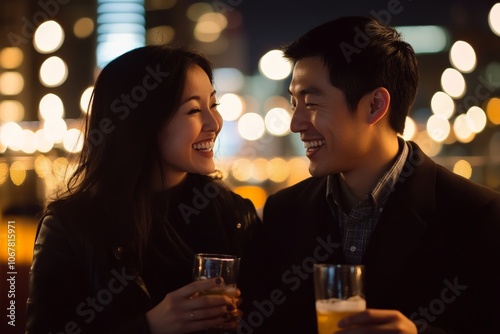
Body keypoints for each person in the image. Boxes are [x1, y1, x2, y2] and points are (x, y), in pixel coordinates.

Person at [240, 16, 500, 334]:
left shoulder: (478, 215)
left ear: (375, 105)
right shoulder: (283, 213)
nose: (295, 123)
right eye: (294, 103)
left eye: (311, 102)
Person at [26, 45, 262, 334]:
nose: (214, 123)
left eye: (214, 105)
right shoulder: (71, 227)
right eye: (194, 110)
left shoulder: (235, 216)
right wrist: (151, 326)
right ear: (142, 123)